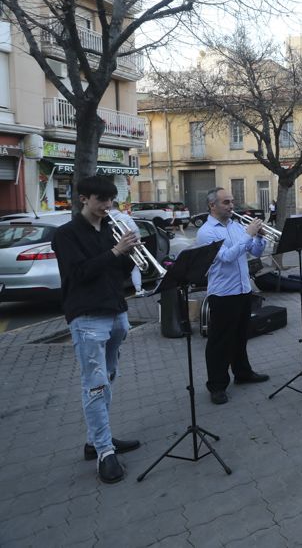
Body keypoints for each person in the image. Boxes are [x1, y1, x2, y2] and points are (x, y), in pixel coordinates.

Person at [52, 176, 143, 484]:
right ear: (83, 199)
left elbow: (118, 272)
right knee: (95, 384)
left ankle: (96, 440)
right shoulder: (65, 235)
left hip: (116, 311)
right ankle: (105, 452)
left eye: (111, 200)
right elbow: (78, 274)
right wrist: (116, 251)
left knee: (108, 377)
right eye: (101, 200)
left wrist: (130, 254)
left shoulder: (109, 230)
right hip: (88, 317)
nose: (107, 206)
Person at [196, 187, 270, 406]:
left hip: (243, 289)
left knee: (240, 336)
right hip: (223, 293)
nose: (231, 206)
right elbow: (227, 257)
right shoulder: (207, 232)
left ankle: (242, 373)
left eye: (232, 201)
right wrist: (248, 234)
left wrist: (258, 238)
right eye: (226, 202)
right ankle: (217, 385)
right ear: (212, 205)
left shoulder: (237, 226)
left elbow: (255, 253)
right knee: (220, 342)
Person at [111, 201, 145, 295]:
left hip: (112, 248)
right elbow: (135, 231)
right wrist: (138, 244)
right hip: (127, 246)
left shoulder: (104, 219)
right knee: (135, 267)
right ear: (118, 208)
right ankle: (138, 289)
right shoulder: (125, 217)